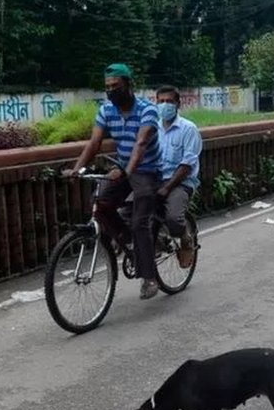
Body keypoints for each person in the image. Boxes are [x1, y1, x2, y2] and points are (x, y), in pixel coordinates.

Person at [64, 63, 162, 299]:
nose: (111, 91)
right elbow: (94, 142)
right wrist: (76, 170)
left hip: (147, 170)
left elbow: (140, 144)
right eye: (107, 87)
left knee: (140, 221)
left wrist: (127, 172)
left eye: (115, 86)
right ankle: (128, 240)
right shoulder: (106, 110)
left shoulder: (148, 109)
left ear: (129, 85)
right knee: (101, 202)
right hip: (122, 167)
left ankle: (149, 277)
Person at [154, 85, 202, 268]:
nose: (165, 105)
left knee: (173, 218)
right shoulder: (152, 129)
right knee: (129, 211)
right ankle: (156, 244)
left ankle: (185, 237)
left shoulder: (188, 129)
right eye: (161, 101)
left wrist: (167, 187)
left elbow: (187, 165)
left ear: (178, 104)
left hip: (180, 182)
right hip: (156, 179)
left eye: (169, 101)